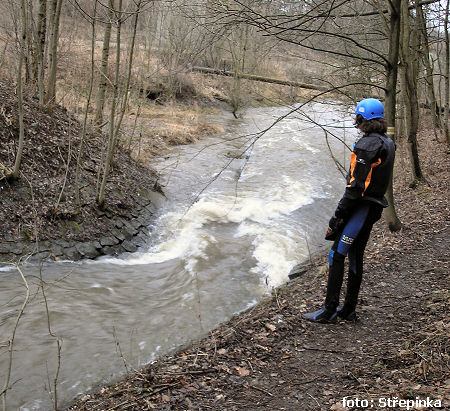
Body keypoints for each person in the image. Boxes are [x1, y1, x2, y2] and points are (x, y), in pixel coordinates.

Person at [303, 98, 396, 323]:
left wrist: (337, 216)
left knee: (337, 254)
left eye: (358, 117)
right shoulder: (387, 141)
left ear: (362, 118)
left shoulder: (367, 145)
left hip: (361, 208)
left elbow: (355, 188)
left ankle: (329, 310)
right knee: (355, 256)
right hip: (372, 208)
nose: (356, 121)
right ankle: (348, 309)